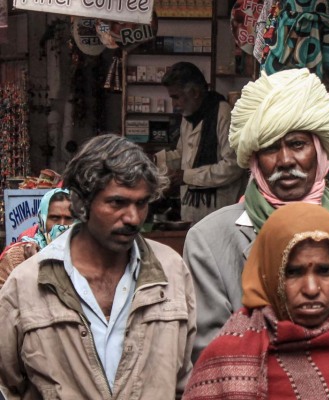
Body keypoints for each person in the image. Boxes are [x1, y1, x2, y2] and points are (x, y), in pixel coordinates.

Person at [184, 68, 329, 362]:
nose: (285, 160)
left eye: (297, 144)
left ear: (319, 151)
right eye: (269, 147)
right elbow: (215, 358)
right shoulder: (209, 239)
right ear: (254, 159)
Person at [0, 134, 196, 399]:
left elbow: (184, 377)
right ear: (81, 204)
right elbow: (9, 383)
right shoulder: (28, 283)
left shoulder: (171, 271)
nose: (133, 217)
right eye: (117, 203)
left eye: (141, 203)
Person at [183, 203, 329, 399]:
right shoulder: (225, 358)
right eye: (293, 272)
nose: (311, 289)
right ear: (269, 276)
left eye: (325, 271)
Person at [155, 61, 248, 224]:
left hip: (219, 212)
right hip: (192, 210)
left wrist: (187, 176)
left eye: (176, 97)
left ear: (195, 92)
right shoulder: (189, 116)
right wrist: (155, 160)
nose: (174, 104)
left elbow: (233, 166)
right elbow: (183, 154)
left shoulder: (223, 114)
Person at [0, 188, 74, 288]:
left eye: (69, 218)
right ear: (41, 220)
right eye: (54, 218)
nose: (61, 225)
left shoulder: (88, 257)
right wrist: (31, 267)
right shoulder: (19, 256)